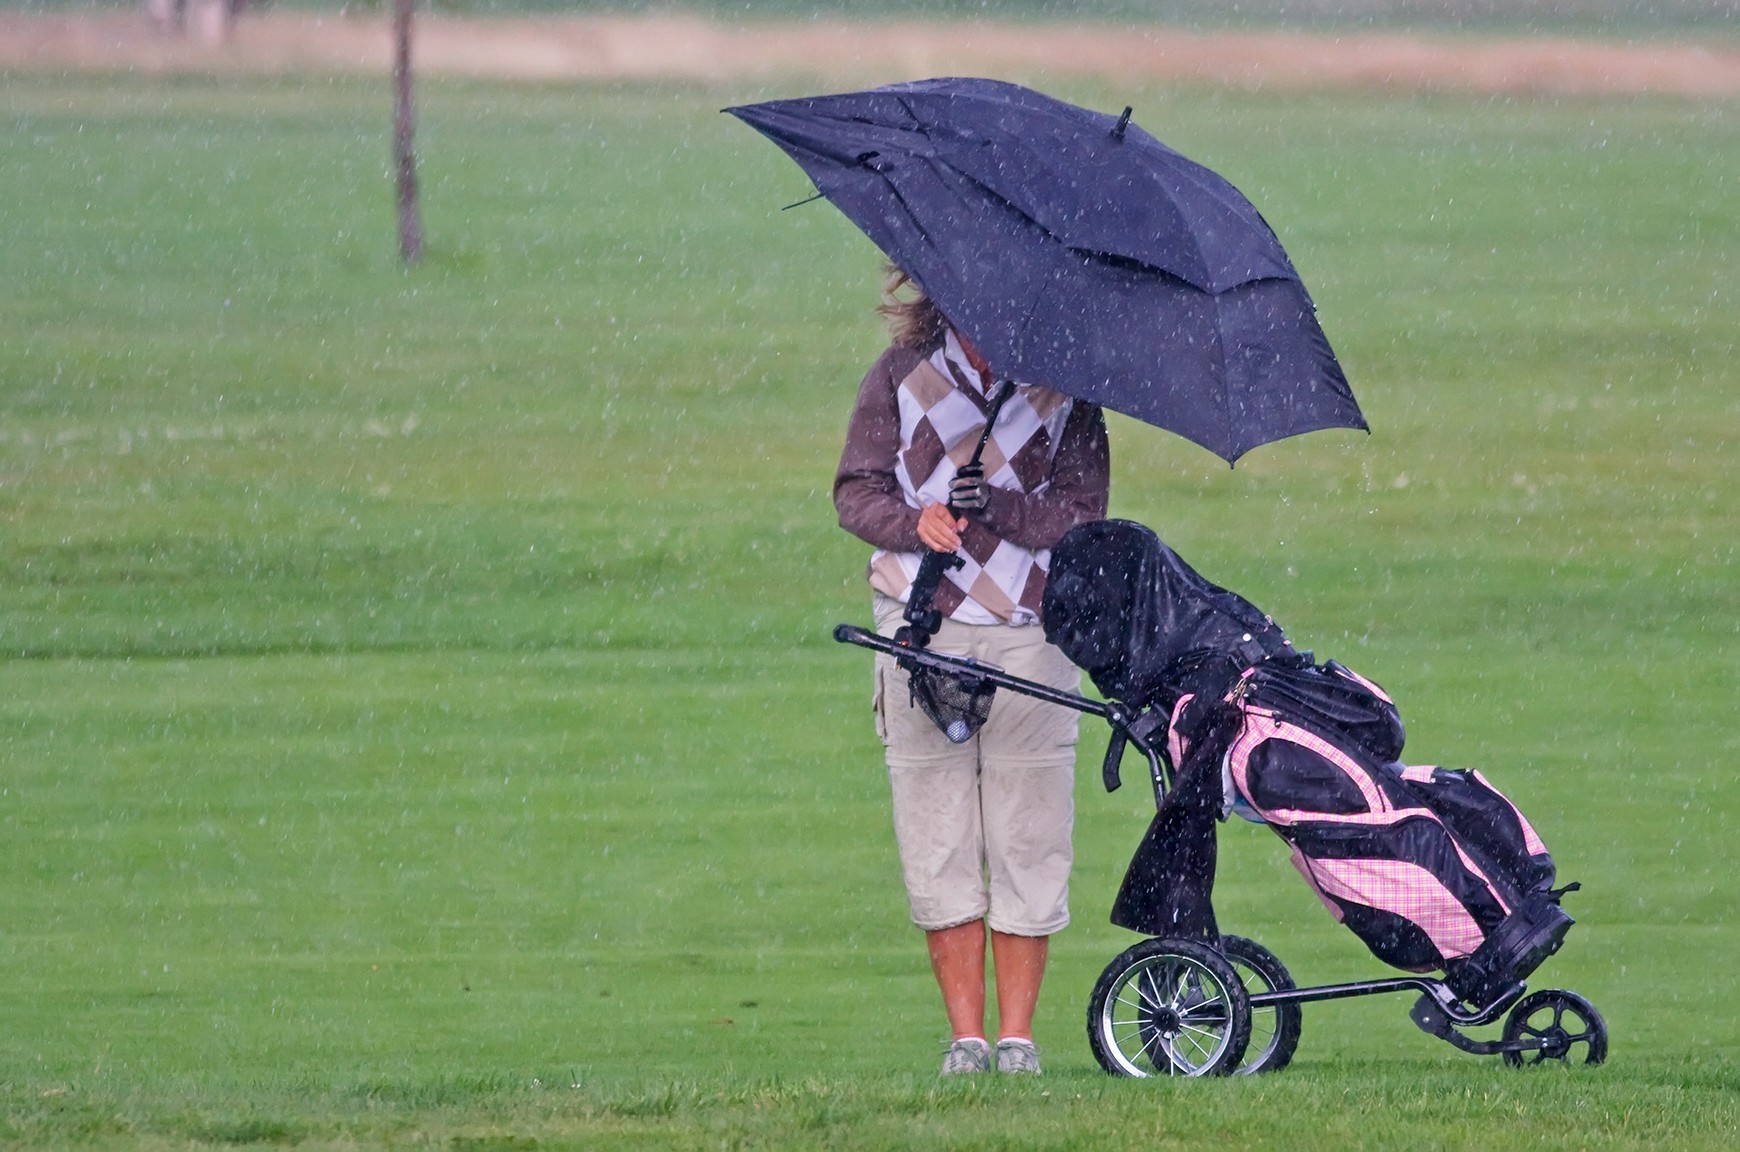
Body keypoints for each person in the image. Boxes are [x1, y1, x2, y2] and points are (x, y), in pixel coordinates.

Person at [833, 266, 1110, 1075]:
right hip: (921, 630)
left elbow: (1083, 514)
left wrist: (1002, 511)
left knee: (1029, 832)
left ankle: (1018, 1042)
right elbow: (856, 492)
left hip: (1034, 631)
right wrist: (915, 522)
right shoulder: (897, 377)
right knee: (936, 828)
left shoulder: (1069, 391)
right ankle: (966, 1041)